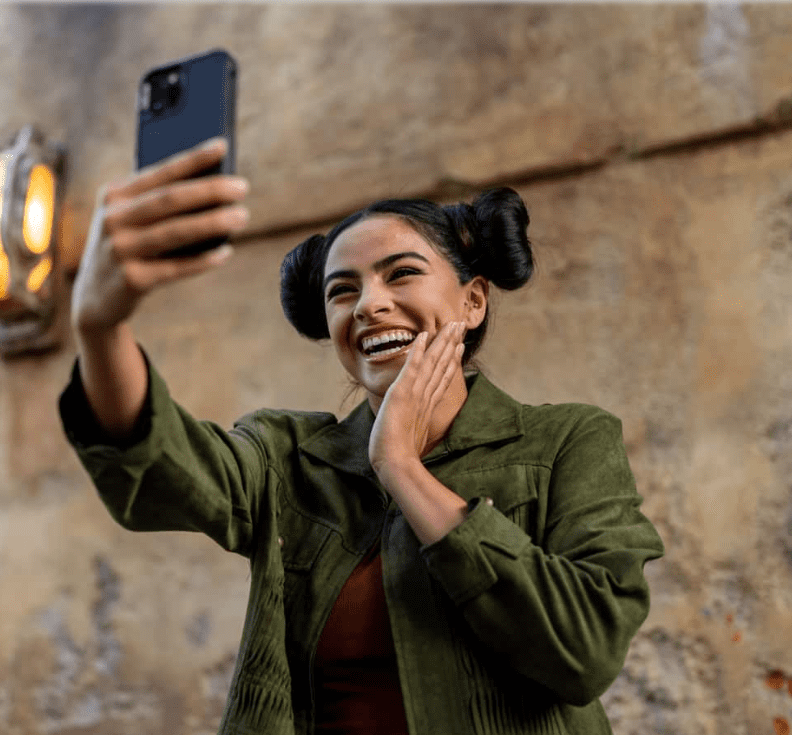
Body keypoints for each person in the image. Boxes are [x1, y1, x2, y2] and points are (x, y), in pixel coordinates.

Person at [59, 138, 664, 734]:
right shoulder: (286, 461)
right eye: (342, 290)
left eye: (402, 274)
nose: (370, 305)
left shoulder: (567, 442)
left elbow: (584, 650)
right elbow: (165, 464)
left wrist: (402, 467)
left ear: (473, 300)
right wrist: (100, 327)